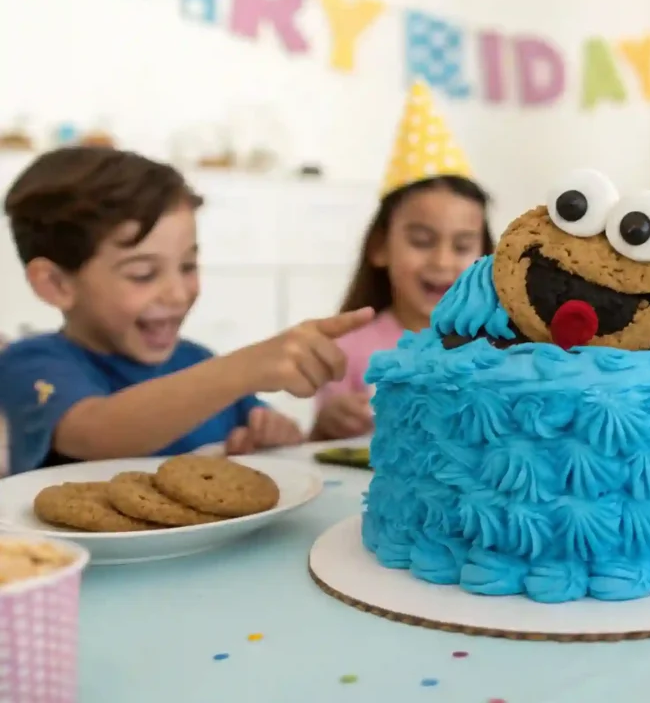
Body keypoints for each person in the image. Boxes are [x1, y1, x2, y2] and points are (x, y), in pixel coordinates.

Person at [0, 146, 374, 475]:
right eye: (143, 274)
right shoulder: (31, 363)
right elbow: (96, 431)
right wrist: (246, 366)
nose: (178, 294)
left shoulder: (197, 360)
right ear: (56, 284)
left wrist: (285, 436)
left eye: (188, 266)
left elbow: (271, 437)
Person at [311, 80, 493, 441]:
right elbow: (319, 457)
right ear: (380, 247)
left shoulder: (497, 347)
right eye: (422, 241)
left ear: (485, 257)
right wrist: (326, 426)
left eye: (461, 246)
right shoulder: (347, 351)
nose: (442, 261)